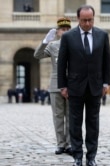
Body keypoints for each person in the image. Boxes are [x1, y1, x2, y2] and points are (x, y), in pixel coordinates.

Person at [57, 5, 110, 166]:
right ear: (78, 19)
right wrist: (62, 86)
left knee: (93, 123)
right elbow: (62, 63)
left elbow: (106, 61)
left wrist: (106, 83)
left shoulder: (102, 35)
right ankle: (77, 156)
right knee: (75, 123)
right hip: (74, 86)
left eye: (90, 20)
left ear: (93, 18)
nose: (87, 23)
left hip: (95, 86)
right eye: (84, 20)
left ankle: (91, 157)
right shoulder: (68, 37)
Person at [34, 17, 72, 155]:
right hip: (56, 85)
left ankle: (69, 144)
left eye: (68, 29)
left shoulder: (75, 44)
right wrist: (45, 42)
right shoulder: (53, 45)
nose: (66, 31)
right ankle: (60, 144)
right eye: (63, 30)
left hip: (72, 85)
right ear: (57, 32)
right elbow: (37, 55)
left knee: (70, 116)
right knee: (58, 116)